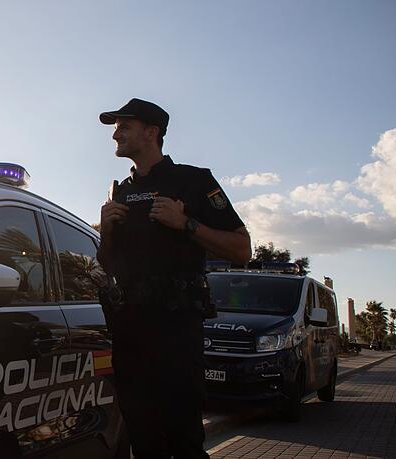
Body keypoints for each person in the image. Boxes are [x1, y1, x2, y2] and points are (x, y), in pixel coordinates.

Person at [96, 98, 251, 458]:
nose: (116, 135)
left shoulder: (193, 181)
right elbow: (109, 264)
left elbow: (242, 249)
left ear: (151, 133)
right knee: (143, 440)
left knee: (183, 440)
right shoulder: (120, 190)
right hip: (129, 329)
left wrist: (186, 224)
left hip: (175, 329)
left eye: (124, 127)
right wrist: (106, 232)